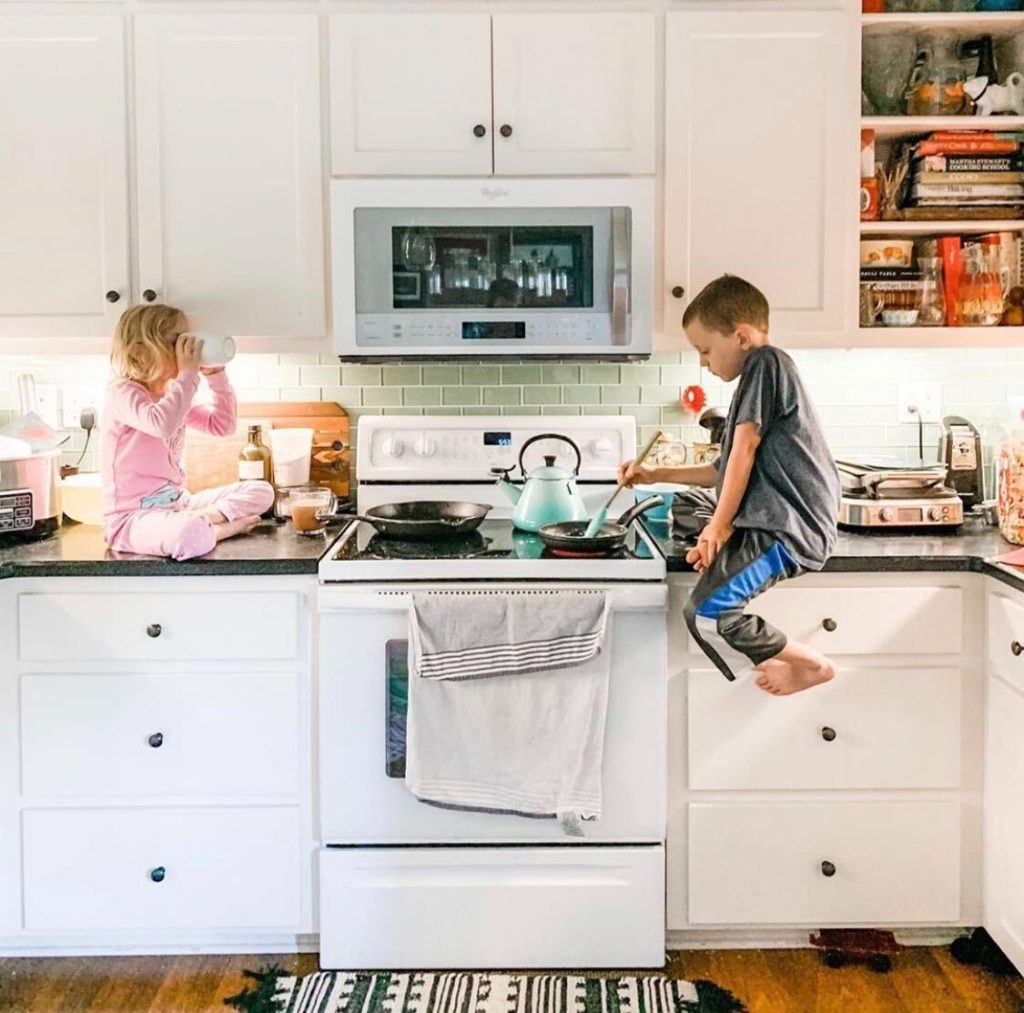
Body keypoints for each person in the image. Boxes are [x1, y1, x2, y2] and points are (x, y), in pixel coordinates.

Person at [619, 275, 840, 696]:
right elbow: (723, 468)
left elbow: (745, 447)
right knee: (703, 609)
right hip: (772, 524)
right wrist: (654, 474)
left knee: (710, 612)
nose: (703, 362)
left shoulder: (767, 363)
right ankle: (785, 661)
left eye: (704, 349)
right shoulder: (759, 377)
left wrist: (719, 526)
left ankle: (814, 665)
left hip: (788, 530)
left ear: (741, 337)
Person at [99, 303, 274, 561]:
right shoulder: (123, 393)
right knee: (189, 532)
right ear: (140, 352)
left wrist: (216, 376)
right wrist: (188, 375)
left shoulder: (173, 395)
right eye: (176, 341)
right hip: (132, 520)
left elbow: (223, 425)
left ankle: (202, 521)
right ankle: (220, 529)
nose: (186, 349)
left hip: (179, 505)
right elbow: (161, 424)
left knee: (262, 491)